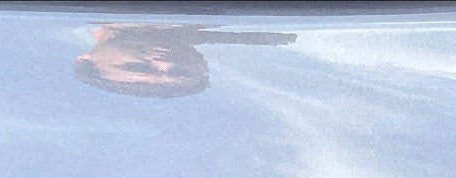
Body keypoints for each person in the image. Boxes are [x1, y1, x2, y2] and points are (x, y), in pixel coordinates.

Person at [72, 23, 295, 99]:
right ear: (201, 64)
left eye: (137, 67)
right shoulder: (269, 22)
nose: (165, 64)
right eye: (180, 72)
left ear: (86, 59)